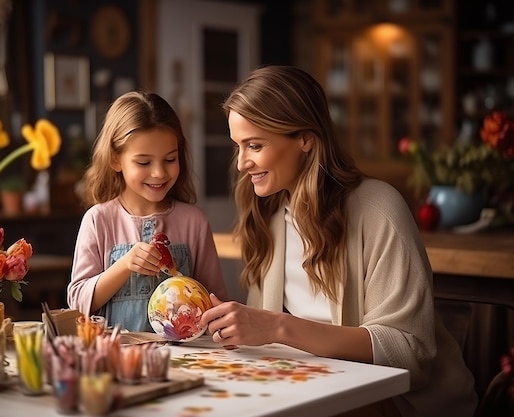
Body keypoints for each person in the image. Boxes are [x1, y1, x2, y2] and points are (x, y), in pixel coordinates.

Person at [199, 65, 477, 417]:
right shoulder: (267, 217)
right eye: (238, 146)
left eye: (254, 145)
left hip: (396, 401)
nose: (242, 163)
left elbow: (408, 351)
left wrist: (276, 326)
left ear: (305, 139)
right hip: (314, 385)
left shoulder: (379, 208)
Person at [68, 90, 228, 332]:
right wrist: (123, 266)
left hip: (184, 361)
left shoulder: (194, 221)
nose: (159, 173)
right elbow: (78, 303)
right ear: (115, 160)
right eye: (144, 162)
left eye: (170, 159)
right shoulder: (98, 220)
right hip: (117, 359)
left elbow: (216, 302)